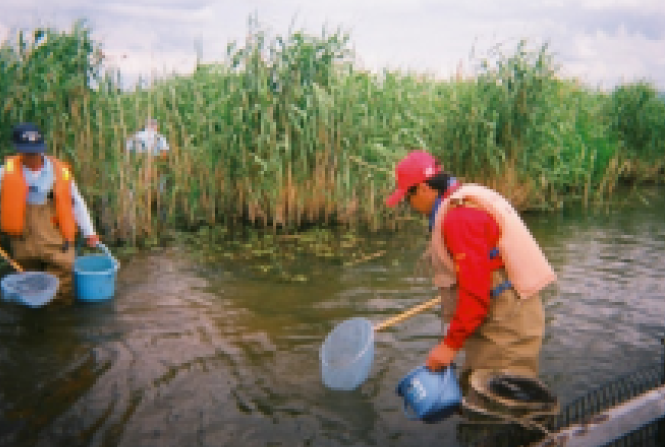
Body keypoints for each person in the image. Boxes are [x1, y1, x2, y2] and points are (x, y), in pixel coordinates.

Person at [385, 150, 557, 391]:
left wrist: (449, 346)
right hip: (498, 307)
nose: (409, 205)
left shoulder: (460, 218)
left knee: (502, 400)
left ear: (423, 188)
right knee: (475, 386)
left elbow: (475, 295)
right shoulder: (462, 197)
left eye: (408, 197)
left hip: (507, 321)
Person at [0, 122, 100, 304]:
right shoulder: (4, 173)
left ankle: (60, 320)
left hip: (55, 237)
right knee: (28, 283)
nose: (32, 157)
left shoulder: (60, 172)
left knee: (63, 280)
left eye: (35, 151)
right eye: (27, 152)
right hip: (24, 239)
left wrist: (90, 232)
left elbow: (76, 202)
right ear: (18, 150)